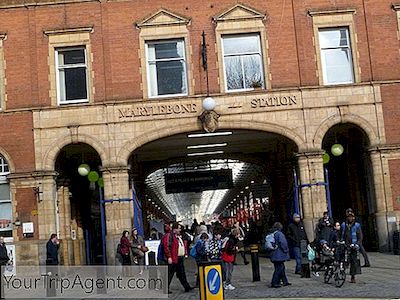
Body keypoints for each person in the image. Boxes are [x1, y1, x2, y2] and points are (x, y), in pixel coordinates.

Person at [163, 222, 192, 293]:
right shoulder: (169, 236)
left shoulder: (177, 236)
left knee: (181, 273)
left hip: (179, 258)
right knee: (170, 274)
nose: (180, 230)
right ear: (175, 229)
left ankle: (187, 287)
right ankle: (165, 288)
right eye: (179, 228)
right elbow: (166, 246)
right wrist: (169, 257)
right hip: (173, 258)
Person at [341, 209, 362, 283]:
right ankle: (341, 273)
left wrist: (357, 244)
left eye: (351, 217)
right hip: (346, 245)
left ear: (353, 217)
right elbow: (342, 234)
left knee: (354, 262)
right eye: (348, 217)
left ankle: (353, 276)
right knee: (344, 260)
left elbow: (360, 236)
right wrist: (342, 241)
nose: (350, 218)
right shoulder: (344, 225)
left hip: (354, 245)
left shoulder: (357, 225)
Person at [270, 222, 291, 288]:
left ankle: (285, 281)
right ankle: (274, 282)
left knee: (281, 267)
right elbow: (283, 243)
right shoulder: (279, 234)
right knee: (279, 268)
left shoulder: (271, 233)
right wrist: (286, 250)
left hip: (273, 253)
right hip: (279, 254)